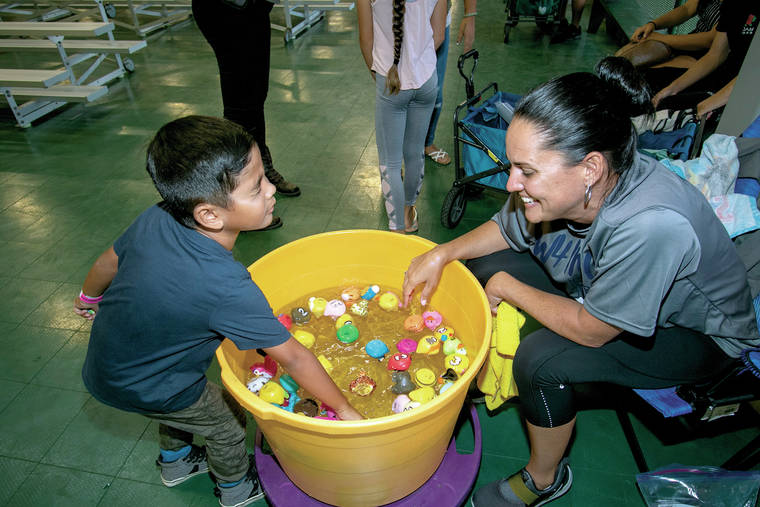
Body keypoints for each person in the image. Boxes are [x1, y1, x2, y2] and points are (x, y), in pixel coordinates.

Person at [401, 57, 760, 506]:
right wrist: (442, 252)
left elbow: (594, 330)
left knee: (541, 361)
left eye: (528, 171)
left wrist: (510, 290)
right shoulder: (590, 181)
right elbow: (506, 228)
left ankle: (544, 479)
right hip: (604, 284)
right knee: (483, 269)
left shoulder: (651, 225)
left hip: (696, 336)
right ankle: (478, 372)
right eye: (514, 166)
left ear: (589, 168)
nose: (512, 183)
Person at [73, 116, 362, 507]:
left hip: (113, 360)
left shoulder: (156, 217)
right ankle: (236, 489)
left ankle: (175, 463)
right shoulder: (226, 286)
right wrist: (344, 409)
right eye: (257, 187)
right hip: (146, 381)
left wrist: (88, 299)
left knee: (181, 409)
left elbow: (109, 261)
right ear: (209, 214)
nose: (272, 189)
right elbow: (292, 355)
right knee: (225, 422)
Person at [192, 0, 301, 231]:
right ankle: (241, 198)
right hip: (225, 9)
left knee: (256, 93)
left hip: (254, 8)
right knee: (239, 101)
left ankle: (262, 166)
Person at [358, 0, 446, 233]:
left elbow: (366, 41)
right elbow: (438, 36)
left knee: (391, 162)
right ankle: (409, 216)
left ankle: (396, 230)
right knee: (415, 153)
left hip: (390, 79)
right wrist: (417, 61)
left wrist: (378, 75)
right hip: (427, 79)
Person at [650, 0, 757, 117]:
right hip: (721, 76)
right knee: (653, 84)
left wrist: (705, 106)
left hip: (745, 91)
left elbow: (752, 75)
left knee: (669, 110)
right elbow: (715, 55)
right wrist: (671, 89)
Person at [424, 0, 478, 167]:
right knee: (398, 95)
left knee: (435, 93)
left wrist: (470, 14)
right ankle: (393, 159)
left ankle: (427, 142)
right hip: (398, 23)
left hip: (437, 22)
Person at [615, 0, 721, 70]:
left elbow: (709, 40)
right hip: (687, 43)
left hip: (708, 58)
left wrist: (660, 38)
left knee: (646, 72)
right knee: (624, 58)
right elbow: (687, 9)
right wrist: (653, 24)